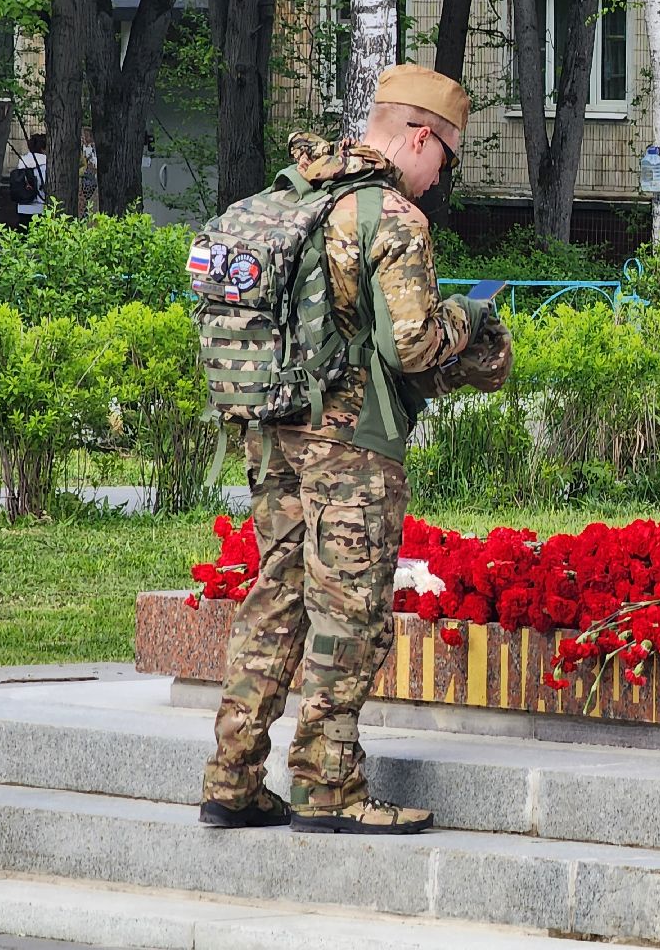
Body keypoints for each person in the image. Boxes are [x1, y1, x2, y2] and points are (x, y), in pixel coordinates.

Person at [199, 64, 511, 835]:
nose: (442, 176)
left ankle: (231, 780)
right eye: (445, 155)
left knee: (273, 603)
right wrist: (470, 320)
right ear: (417, 135)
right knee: (352, 616)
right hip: (351, 445)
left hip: (274, 430)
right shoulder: (392, 217)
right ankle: (330, 791)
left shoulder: (298, 192)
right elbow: (413, 346)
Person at [13, 134, 47, 226]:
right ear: (43, 148)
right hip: (40, 207)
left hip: (22, 206)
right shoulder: (46, 164)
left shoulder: (22, 162)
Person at [78, 126, 98, 216]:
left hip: (89, 178)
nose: (82, 138)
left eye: (84, 136)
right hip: (85, 177)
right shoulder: (83, 148)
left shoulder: (92, 148)